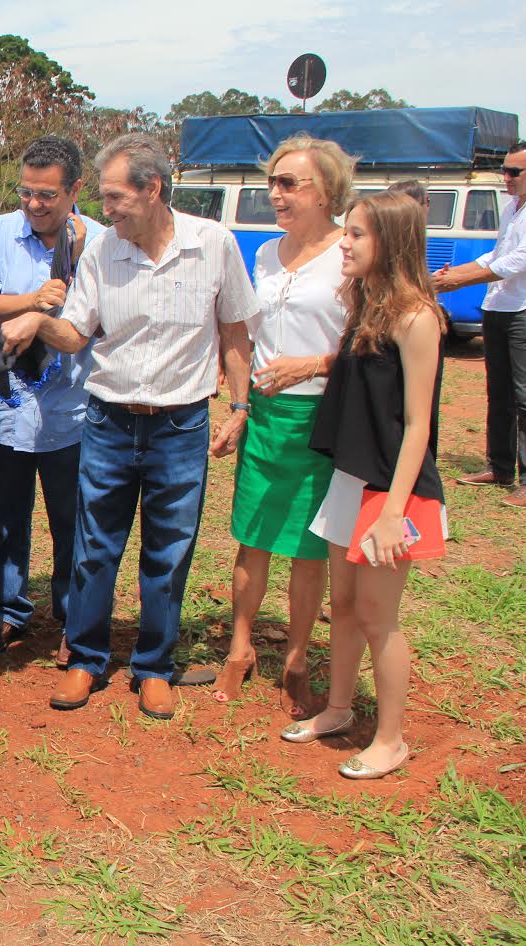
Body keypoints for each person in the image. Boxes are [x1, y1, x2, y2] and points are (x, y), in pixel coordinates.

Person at [27, 133, 257, 720]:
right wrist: (30, 319)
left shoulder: (214, 245)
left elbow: (235, 332)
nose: (105, 211)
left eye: (113, 197)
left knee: (168, 552)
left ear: (152, 189)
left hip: (181, 426)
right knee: (94, 548)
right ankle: (86, 658)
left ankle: (154, 667)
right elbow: (76, 333)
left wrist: (240, 407)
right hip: (107, 422)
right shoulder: (104, 252)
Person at [287, 191, 448, 779]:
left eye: (356, 234)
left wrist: (391, 512)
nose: (344, 244)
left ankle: (390, 739)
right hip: (350, 480)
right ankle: (337, 709)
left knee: (380, 617)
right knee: (346, 606)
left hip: (391, 491)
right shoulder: (366, 306)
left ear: (393, 242)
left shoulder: (416, 317)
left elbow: (418, 425)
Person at [214, 136, 356, 717]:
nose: (275, 193)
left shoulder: (350, 251)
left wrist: (315, 364)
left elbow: (372, 344)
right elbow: (245, 331)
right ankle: (240, 646)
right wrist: (240, 406)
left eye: (289, 183)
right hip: (267, 416)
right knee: (251, 535)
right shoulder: (267, 252)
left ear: (326, 192)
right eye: (272, 182)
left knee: (307, 547)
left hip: (321, 418)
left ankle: (296, 658)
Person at [0, 135, 104, 659]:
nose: (34, 205)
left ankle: (71, 619)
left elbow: (107, 322)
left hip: (72, 410)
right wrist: (32, 301)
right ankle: (5, 611)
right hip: (5, 407)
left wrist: (72, 267)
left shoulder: (100, 243)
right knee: (1, 520)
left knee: (72, 522)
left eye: (47, 195)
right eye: (27, 192)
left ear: (75, 189)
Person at [433, 141, 526, 508]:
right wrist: (452, 274)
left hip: (521, 310)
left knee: (523, 396)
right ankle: (500, 467)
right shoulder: (510, 209)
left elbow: (516, 261)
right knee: (499, 391)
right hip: (498, 307)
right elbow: (497, 253)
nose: (506, 177)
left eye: (514, 172)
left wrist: (459, 281)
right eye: (505, 170)